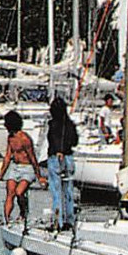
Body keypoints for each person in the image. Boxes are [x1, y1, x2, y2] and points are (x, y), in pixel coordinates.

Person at [0, 109, 46, 224]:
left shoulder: (25, 139)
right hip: (15, 167)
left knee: (19, 192)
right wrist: (1, 174)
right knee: (10, 193)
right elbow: (8, 157)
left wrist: (39, 176)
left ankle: (23, 213)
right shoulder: (10, 138)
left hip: (27, 168)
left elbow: (33, 158)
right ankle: (7, 219)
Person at [45, 96, 79, 230]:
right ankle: (69, 221)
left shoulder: (53, 124)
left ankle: (57, 222)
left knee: (56, 190)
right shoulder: (70, 124)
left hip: (55, 158)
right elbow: (75, 141)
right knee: (68, 190)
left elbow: (53, 139)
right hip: (69, 157)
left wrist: (58, 149)